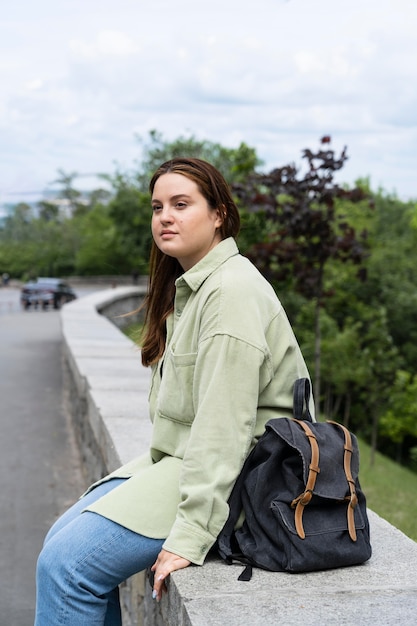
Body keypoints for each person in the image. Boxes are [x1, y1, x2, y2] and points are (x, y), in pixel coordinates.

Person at [35, 157, 313, 625]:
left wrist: (190, 534)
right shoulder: (194, 288)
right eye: (158, 206)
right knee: (59, 543)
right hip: (177, 460)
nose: (165, 216)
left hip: (244, 476)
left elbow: (225, 428)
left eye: (181, 204)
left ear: (219, 213)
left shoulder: (231, 292)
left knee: (67, 568)